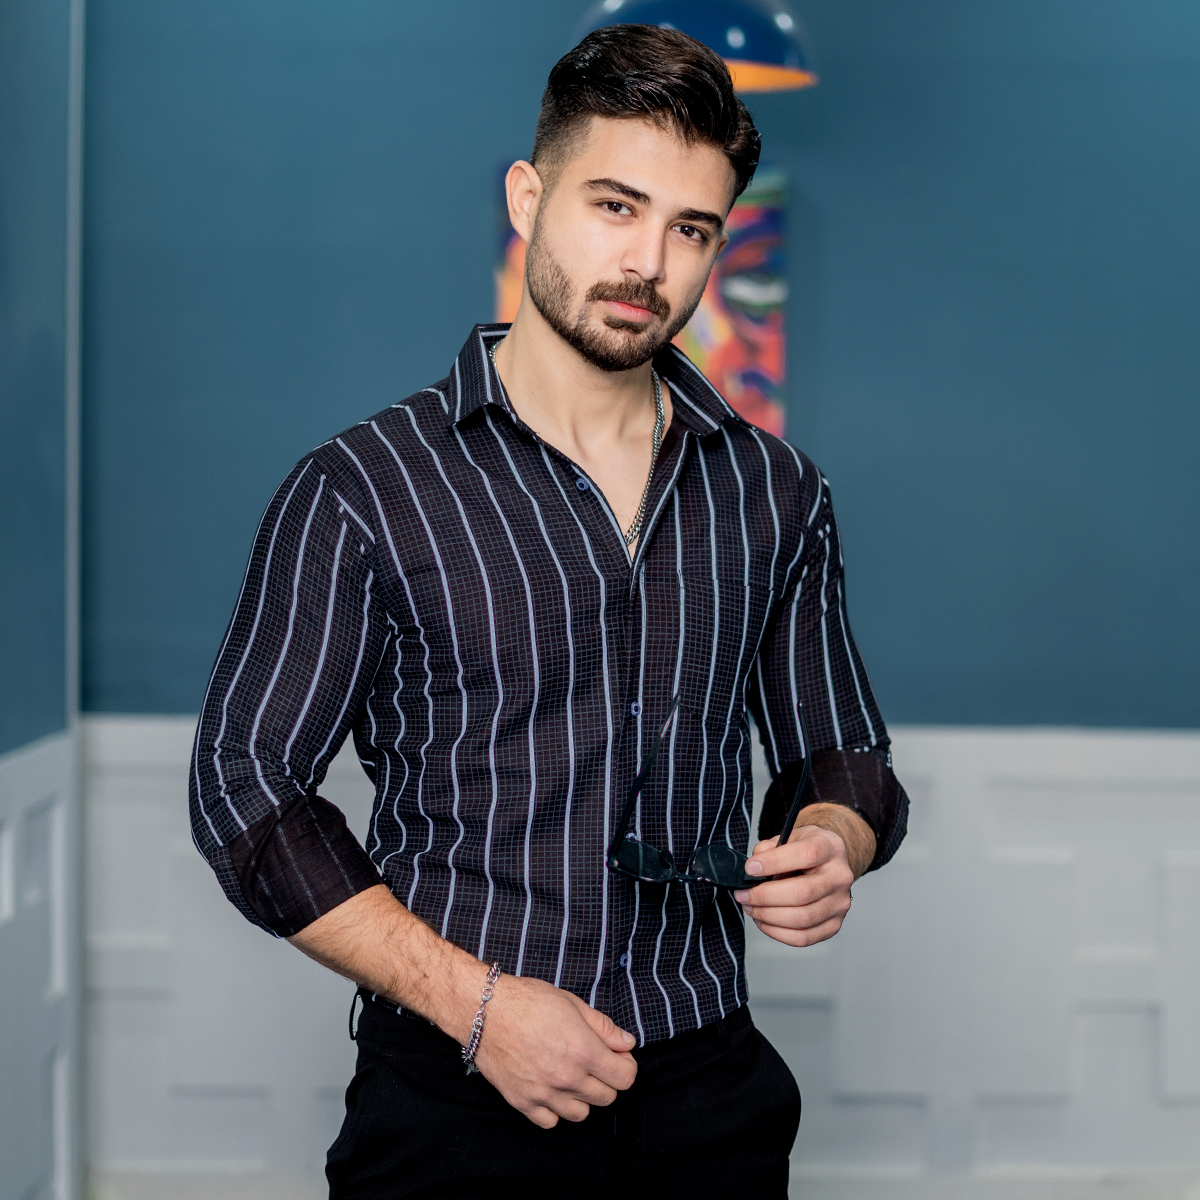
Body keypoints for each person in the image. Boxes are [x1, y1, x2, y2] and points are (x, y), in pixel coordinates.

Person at [189, 23, 908, 1199]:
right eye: (615, 207)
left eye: (692, 229)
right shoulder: (363, 489)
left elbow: (846, 754)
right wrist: (476, 1007)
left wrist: (835, 841)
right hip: (453, 1098)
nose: (649, 264)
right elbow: (243, 785)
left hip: (709, 1090)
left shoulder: (776, 492)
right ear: (530, 198)